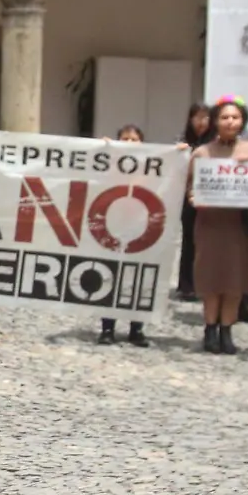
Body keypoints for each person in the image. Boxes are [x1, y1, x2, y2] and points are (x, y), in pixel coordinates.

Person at [187, 95, 248, 355]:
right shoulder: (202, 153)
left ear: (243, 121)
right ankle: (209, 329)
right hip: (210, 224)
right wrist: (193, 198)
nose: (230, 122)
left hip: (239, 226)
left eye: (235, 117)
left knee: (235, 279)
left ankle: (227, 331)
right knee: (211, 277)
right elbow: (189, 188)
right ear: (215, 121)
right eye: (224, 117)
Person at [96, 124, 152, 347]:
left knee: (138, 279)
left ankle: (136, 328)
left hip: (142, 227)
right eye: (124, 139)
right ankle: (107, 328)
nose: (129, 143)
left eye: (134, 139)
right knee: (110, 276)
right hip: (113, 224)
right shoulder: (110, 165)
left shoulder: (151, 166)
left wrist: (179, 151)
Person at [175, 103, 210, 301]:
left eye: (205, 117)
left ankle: (205, 284)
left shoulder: (216, 143)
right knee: (189, 241)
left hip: (211, 199)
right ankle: (186, 284)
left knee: (208, 243)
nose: (201, 122)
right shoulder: (182, 140)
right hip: (187, 199)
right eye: (197, 117)